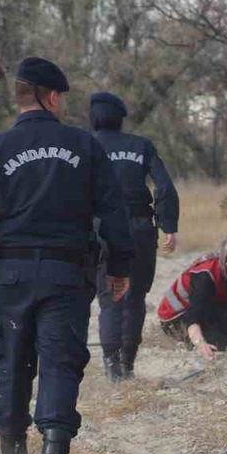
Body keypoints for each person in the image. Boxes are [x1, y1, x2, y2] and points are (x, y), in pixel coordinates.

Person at [0, 57, 135, 454]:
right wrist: (120, 267)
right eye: (63, 98)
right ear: (50, 96)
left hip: (11, 274)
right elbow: (114, 212)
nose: (65, 105)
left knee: (11, 361)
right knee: (61, 361)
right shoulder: (85, 147)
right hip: (67, 275)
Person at [90, 91, 180, 381]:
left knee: (109, 298)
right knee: (135, 297)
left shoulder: (85, 145)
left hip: (100, 230)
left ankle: (111, 366)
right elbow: (164, 187)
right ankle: (127, 364)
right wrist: (169, 225)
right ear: (120, 119)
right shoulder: (141, 146)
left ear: (94, 117)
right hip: (140, 230)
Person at [158, 234, 227, 359]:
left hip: (210, 306)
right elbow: (193, 317)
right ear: (224, 263)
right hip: (177, 317)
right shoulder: (205, 277)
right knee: (220, 340)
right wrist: (200, 344)